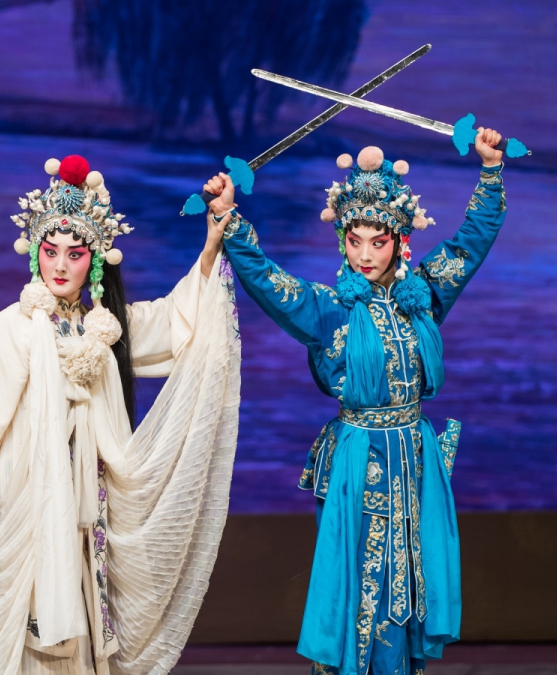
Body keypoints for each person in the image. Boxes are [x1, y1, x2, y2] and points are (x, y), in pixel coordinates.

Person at [0, 155, 243, 674]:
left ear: (94, 261)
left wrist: (211, 241)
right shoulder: (13, 326)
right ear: (35, 254)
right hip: (23, 500)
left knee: (81, 628)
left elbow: (179, 320)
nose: (59, 265)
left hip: (85, 506)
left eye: (74, 255)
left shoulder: (107, 329)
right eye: (50, 252)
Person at [208, 129, 508, 675]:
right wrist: (230, 216)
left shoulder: (423, 296)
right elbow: (268, 281)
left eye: (378, 241)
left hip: (414, 460)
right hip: (357, 460)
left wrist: (490, 170)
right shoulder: (329, 310)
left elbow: (469, 246)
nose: (365, 254)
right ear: (342, 239)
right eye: (355, 240)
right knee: (359, 583)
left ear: (400, 241)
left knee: (409, 580)